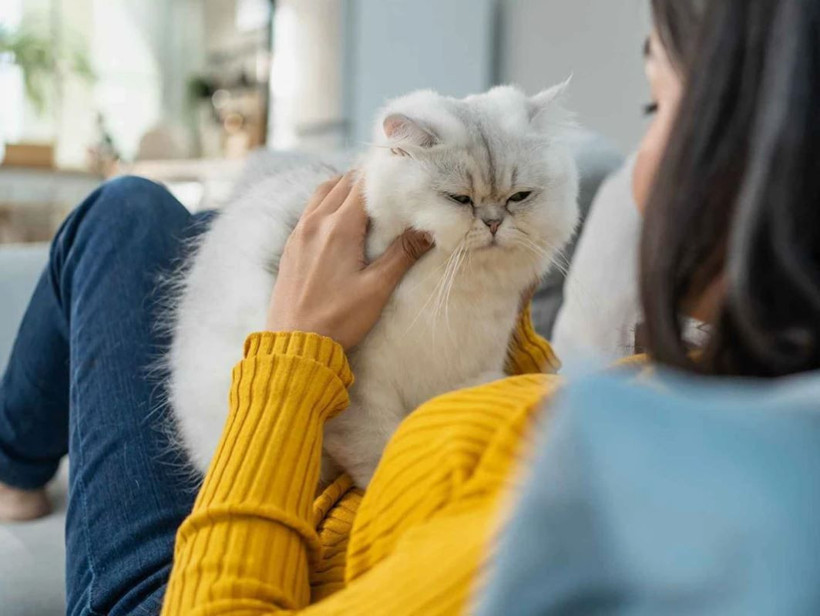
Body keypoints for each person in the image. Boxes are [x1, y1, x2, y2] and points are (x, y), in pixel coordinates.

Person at [1, 1, 818, 615]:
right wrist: (497, 282)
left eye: (657, 105)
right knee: (195, 224)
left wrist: (290, 355)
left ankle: (11, 464)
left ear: (763, 150)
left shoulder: (605, 509)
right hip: (333, 475)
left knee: (124, 213)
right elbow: (504, 409)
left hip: (235, 558)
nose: (642, 162)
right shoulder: (746, 395)